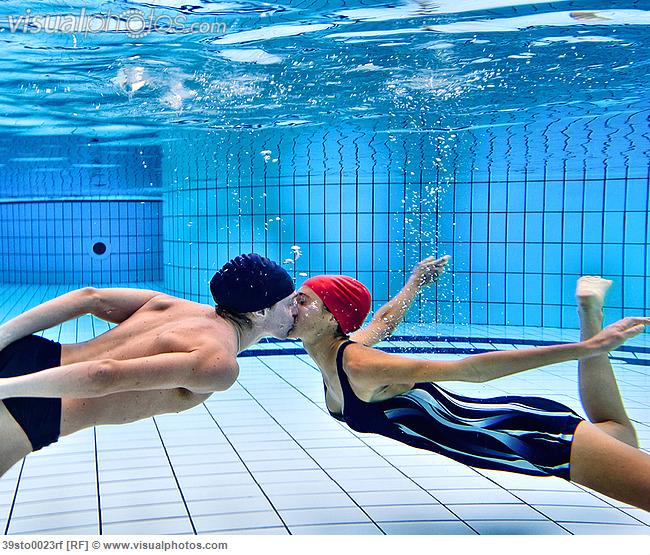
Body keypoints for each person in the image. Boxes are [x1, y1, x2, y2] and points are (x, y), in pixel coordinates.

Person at [288, 263, 650, 511]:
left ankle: (591, 331)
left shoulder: (358, 364)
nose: (291, 306)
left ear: (332, 317)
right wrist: (415, 282)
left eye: (303, 300)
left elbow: (471, 370)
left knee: (624, 446)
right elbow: (383, 321)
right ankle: (590, 314)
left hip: (527, 435)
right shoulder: (335, 354)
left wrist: (584, 350)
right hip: (510, 440)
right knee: (619, 435)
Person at [0, 253, 297, 476]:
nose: (295, 310)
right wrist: (7, 388)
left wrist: (4, 337)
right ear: (260, 311)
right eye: (289, 302)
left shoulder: (175, 305)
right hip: (38, 407)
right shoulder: (219, 362)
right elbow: (103, 375)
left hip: (26, 352)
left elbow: (88, 297)